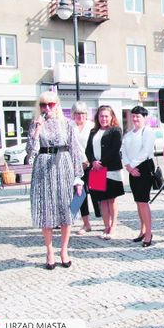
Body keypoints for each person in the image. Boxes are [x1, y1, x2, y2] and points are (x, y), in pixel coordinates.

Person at [27, 91, 84, 269]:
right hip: (43, 169)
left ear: (57, 105)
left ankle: (64, 250)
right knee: (46, 211)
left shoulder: (66, 124)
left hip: (64, 165)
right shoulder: (36, 124)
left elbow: (75, 150)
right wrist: (37, 129)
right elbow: (30, 151)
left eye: (51, 104)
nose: (47, 108)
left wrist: (78, 178)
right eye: (43, 105)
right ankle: (50, 251)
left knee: (66, 210)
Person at [85, 105, 124, 240]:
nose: (104, 118)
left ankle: (113, 226)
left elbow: (115, 149)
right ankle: (106, 225)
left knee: (111, 199)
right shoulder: (93, 131)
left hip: (110, 169)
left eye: (106, 116)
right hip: (96, 169)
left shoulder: (116, 130)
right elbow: (88, 150)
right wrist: (93, 162)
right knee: (102, 200)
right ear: (98, 117)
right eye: (101, 116)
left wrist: (101, 163)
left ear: (111, 117)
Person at [121, 106, 157, 247]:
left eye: (138, 116)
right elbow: (123, 151)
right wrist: (128, 166)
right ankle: (142, 230)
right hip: (131, 169)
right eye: (133, 116)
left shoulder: (147, 132)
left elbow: (146, 151)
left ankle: (149, 233)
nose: (135, 119)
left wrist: (133, 165)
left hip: (143, 167)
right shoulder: (128, 134)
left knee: (143, 202)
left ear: (144, 118)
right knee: (138, 202)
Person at [70, 101, 100, 235]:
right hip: (76, 165)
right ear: (73, 114)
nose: (80, 116)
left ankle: (105, 221)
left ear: (86, 114)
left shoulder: (92, 126)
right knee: (79, 194)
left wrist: (92, 160)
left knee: (98, 193)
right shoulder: (69, 127)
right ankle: (86, 223)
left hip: (92, 164)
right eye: (77, 113)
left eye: (82, 113)